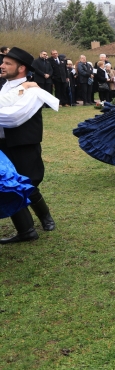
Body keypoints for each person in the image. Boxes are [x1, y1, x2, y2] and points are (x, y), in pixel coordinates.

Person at [0, 47, 60, 243]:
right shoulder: (4, 86)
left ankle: (45, 217)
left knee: (29, 183)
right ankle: (26, 231)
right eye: (3, 62)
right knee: (7, 186)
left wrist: (20, 90)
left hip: (23, 143)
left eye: (8, 63)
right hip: (2, 144)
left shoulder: (33, 90)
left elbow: (13, 118)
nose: (2, 65)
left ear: (21, 68)